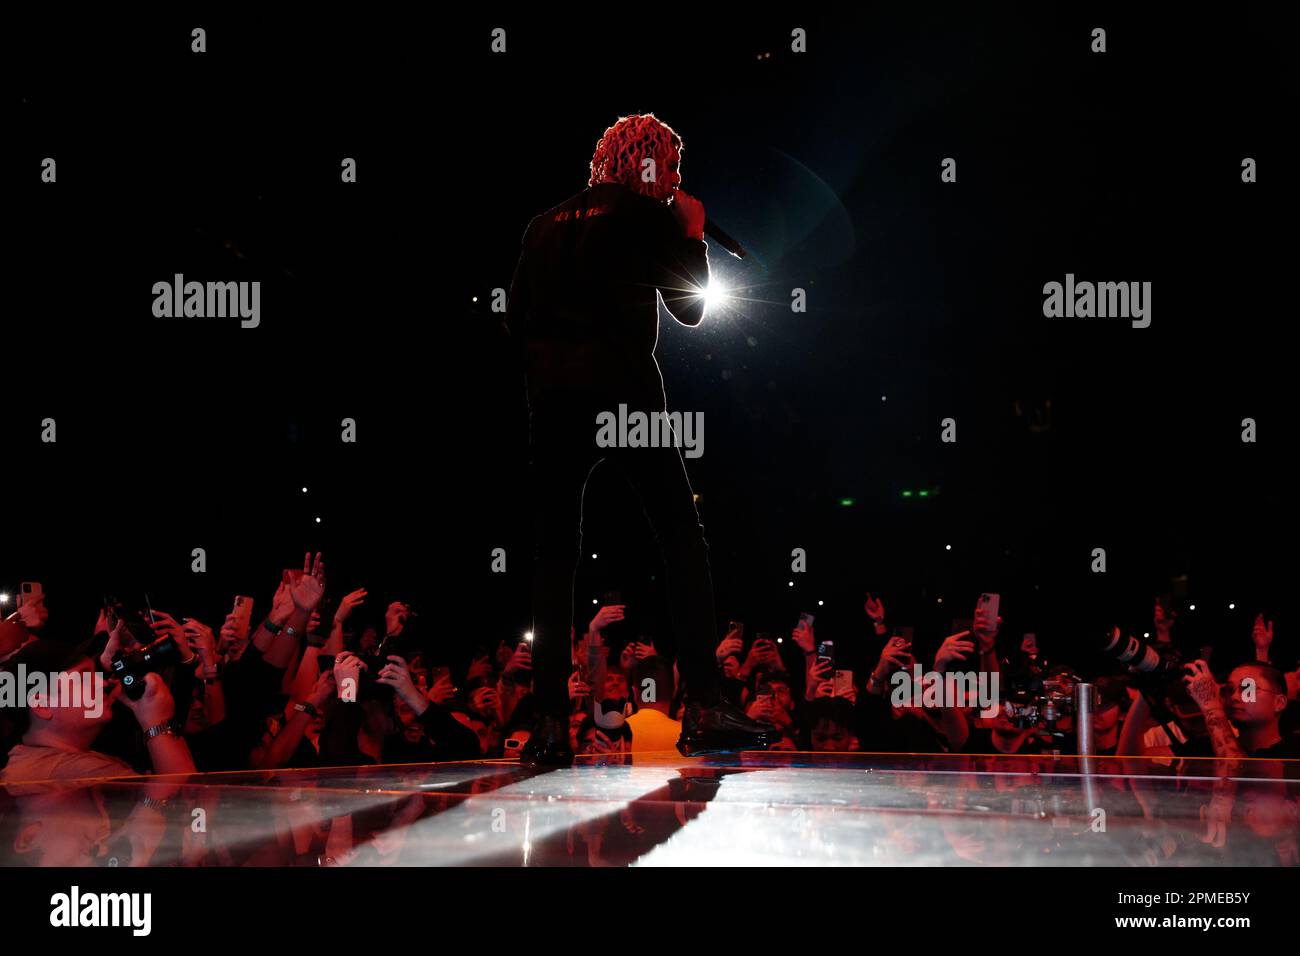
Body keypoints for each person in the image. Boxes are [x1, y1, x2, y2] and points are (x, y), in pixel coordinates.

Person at [503, 112, 776, 764]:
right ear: (650, 164)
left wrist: (553, 368)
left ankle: (548, 728)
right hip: (627, 395)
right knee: (681, 537)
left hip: (555, 403)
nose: (677, 180)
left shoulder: (543, 226)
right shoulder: (647, 215)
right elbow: (690, 309)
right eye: (672, 168)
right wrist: (693, 232)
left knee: (553, 559)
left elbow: (516, 319)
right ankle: (705, 706)